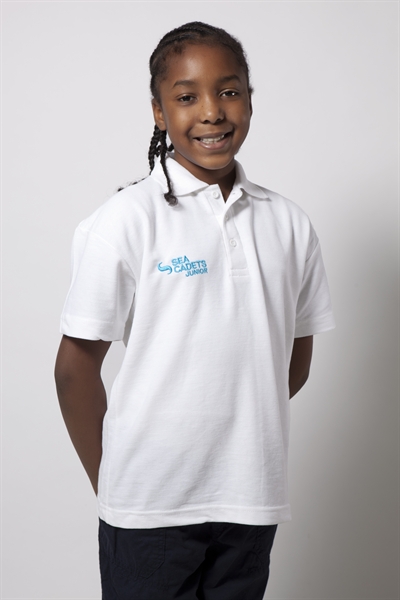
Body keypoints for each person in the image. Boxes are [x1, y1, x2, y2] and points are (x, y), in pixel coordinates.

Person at [55, 21, 335, 600]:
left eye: (228, 91)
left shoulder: (289, 224)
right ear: (159, 113)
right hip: (149, 509)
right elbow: (74, 369)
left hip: (251, 501)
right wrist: (114, 482)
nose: (212, 111)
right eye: (186, 97)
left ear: (250, 100)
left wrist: (235, 426)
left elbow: (294, 359)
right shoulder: (125, 221)